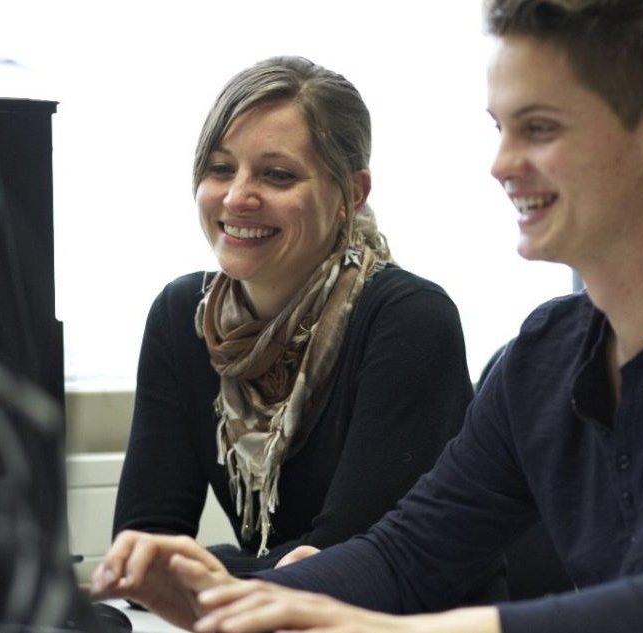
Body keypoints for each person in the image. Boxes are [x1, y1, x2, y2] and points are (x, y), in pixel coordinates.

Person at [91, 1, 643, 631]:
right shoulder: (542, 360)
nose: (500, 165)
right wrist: (226, 600)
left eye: (539, 128)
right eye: (500, 128)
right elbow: (404, 555)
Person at [110, 55, 481, 579]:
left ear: (351, 194)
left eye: (278, 175)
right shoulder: (182, 317)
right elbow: (143, 547)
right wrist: (184, 570)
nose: (238, 196)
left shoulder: (410, 320)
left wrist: (201, 570)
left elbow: (348, 562)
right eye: (220, 168)